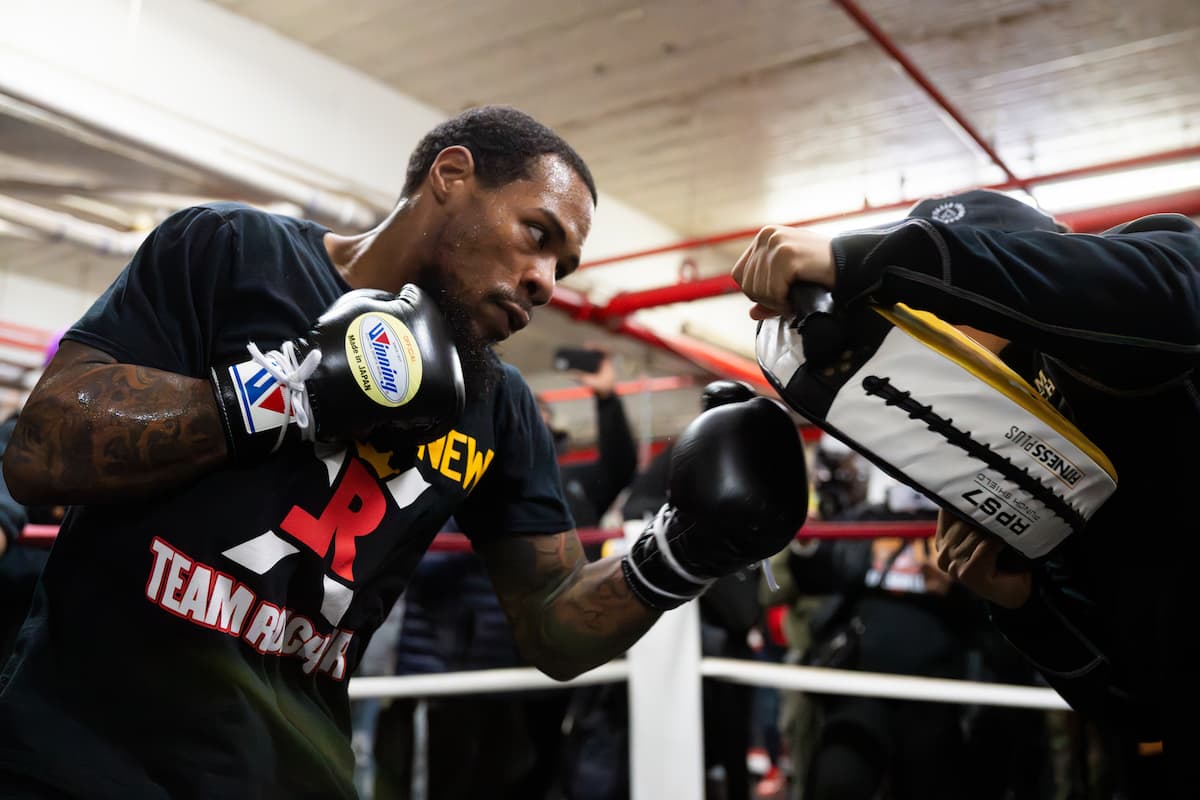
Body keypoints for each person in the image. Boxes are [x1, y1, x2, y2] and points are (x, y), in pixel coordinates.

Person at [0, 104, 808, 799]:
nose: (545, 281)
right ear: (451, 176)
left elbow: (551, 623)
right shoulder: (231, 252)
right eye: (537, 234)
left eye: (562, 264)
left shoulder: (500, 408)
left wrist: (677, 557)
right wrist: (294, 393)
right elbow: (40, 449)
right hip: (75, 755)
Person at [732, 187, 1200, 797]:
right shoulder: (1027, 461)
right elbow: (1134, 705)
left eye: (933, 310)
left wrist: (874, 261)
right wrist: (1023, 604)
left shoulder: (1144, 290)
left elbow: (1164, 294)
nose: (928, 332)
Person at [367, 349, 637, 800]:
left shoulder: (562, 489)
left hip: (528, 665)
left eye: (542, 426)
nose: (532, 433)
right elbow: (419, 559)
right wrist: (491, 537)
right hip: (450, 672)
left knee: (526, 774)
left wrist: (607, 399)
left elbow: (618, 466)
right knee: (445, 781)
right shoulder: (454, 475)